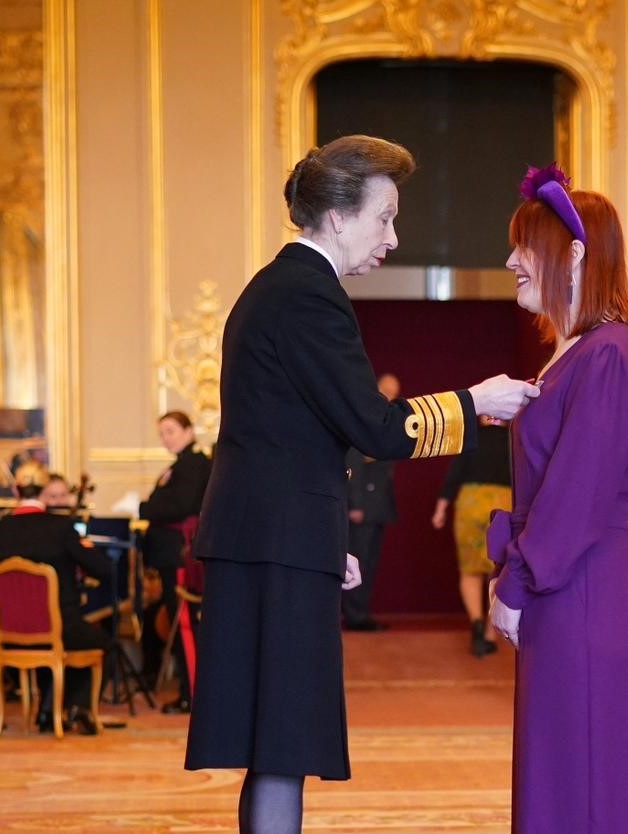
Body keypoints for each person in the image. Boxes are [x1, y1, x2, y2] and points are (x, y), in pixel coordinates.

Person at [184, 134, 538, 834]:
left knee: (273, 745)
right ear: (339, 217)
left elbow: (293, 438)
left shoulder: (283, 289)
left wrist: (320, 540)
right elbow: (374, 428)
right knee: (281, 742)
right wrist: (476, 402)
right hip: (273, 548)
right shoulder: (307, 297)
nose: (393, 238)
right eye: (385, 218)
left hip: (271, 539)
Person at [487, 163, 628, 834]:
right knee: (561, 781)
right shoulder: (577, 355)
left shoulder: (609, 353)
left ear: (576, 254)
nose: (509, 261)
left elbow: (578, 493)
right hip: (573, 590)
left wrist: (516, 582)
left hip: (583, 593)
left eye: (523, 245)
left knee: (581, 787)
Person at [0, 461, 112, 734]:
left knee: (48, 643)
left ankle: (47, 708)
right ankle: (77, 708)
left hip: (10, 630)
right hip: (60, 625)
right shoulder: (61, 527)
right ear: (45, 492)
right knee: (101, 642)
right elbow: (103, 570)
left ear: (16, 491)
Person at [139, 410, 212, 714]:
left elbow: (179, 505)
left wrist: (143, 506)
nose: (165, 438)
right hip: (170, 553)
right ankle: (187, 689)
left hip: (180, 554)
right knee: (173, 622)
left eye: (170, 431)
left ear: (188, 430)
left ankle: (192, 693)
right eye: (162, 433)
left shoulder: (194, 464)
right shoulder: (181, 464)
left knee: (184, 624)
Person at [432, 414, 511, 656]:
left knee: (469, 570)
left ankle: (476, 623)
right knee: (498, 571)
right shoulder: (513, 439)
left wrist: (441, 509)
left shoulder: (470, 437)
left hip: (469, 502)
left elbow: (454, 474)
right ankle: (489, 633)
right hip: (502, 504)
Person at [342, 372, 401, 632]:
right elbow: (353, 460)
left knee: (369, 562)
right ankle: (354, 615)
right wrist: (354, 503)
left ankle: (360, 612)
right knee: (358, 560)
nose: (390, 397)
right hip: (362, 506)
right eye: (387, 390)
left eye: (394, 393)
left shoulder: (385, 419)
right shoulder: (364, 416)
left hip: (377, 507)